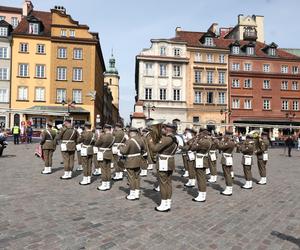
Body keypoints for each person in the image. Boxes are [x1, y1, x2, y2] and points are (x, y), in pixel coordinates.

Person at [149, 123, 178, 212]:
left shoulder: (167, 139)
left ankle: (164, 204)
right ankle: (167, 202)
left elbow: (154, 149)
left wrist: (150, 141)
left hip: (163, 162)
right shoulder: (175, 138)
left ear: (168, 129)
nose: (163, 129)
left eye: (164, 128)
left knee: (163, 183)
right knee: (168, 183)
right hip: (170, 162)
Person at [119, 127, 144, 200]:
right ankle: (137, 192)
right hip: (138, 160)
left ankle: (132, 193)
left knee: (131, 177)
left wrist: (121, 147)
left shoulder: (129, 141)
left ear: (131, 132)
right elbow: (144, 149)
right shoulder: (141, 140)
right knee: (137, 177)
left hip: (130, 161)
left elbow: (124, 151)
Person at [190, 130, 211, 202]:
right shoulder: (208, 141)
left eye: (200, 133)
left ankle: (201, 195)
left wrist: (195, 140)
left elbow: (192, 148)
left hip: (200, 160)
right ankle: (202, 194)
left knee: (200, 178)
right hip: (203, 159)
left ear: (203, 134)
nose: (199, 135)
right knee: (202, 178)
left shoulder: (202, 142)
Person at [95, 124, 115, 191]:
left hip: (102, 153)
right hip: (109, 153)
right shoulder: (113, 136)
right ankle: (108, 184)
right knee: (108, 169)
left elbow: (96, 144)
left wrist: (98, 137)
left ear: (106, 129)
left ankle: (104, 184)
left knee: (103, 169)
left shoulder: (103, 136)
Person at [219, 131, 236, 196]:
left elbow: (220, 147)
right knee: (227, 174)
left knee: (227, 174)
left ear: (227, 136)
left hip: (226, 159)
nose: (224, 136)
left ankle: (229, 189)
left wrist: (220, 141)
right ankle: (228, 188)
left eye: (225, 135)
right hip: (228, 158)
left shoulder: (229, 142)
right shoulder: (231, 142)